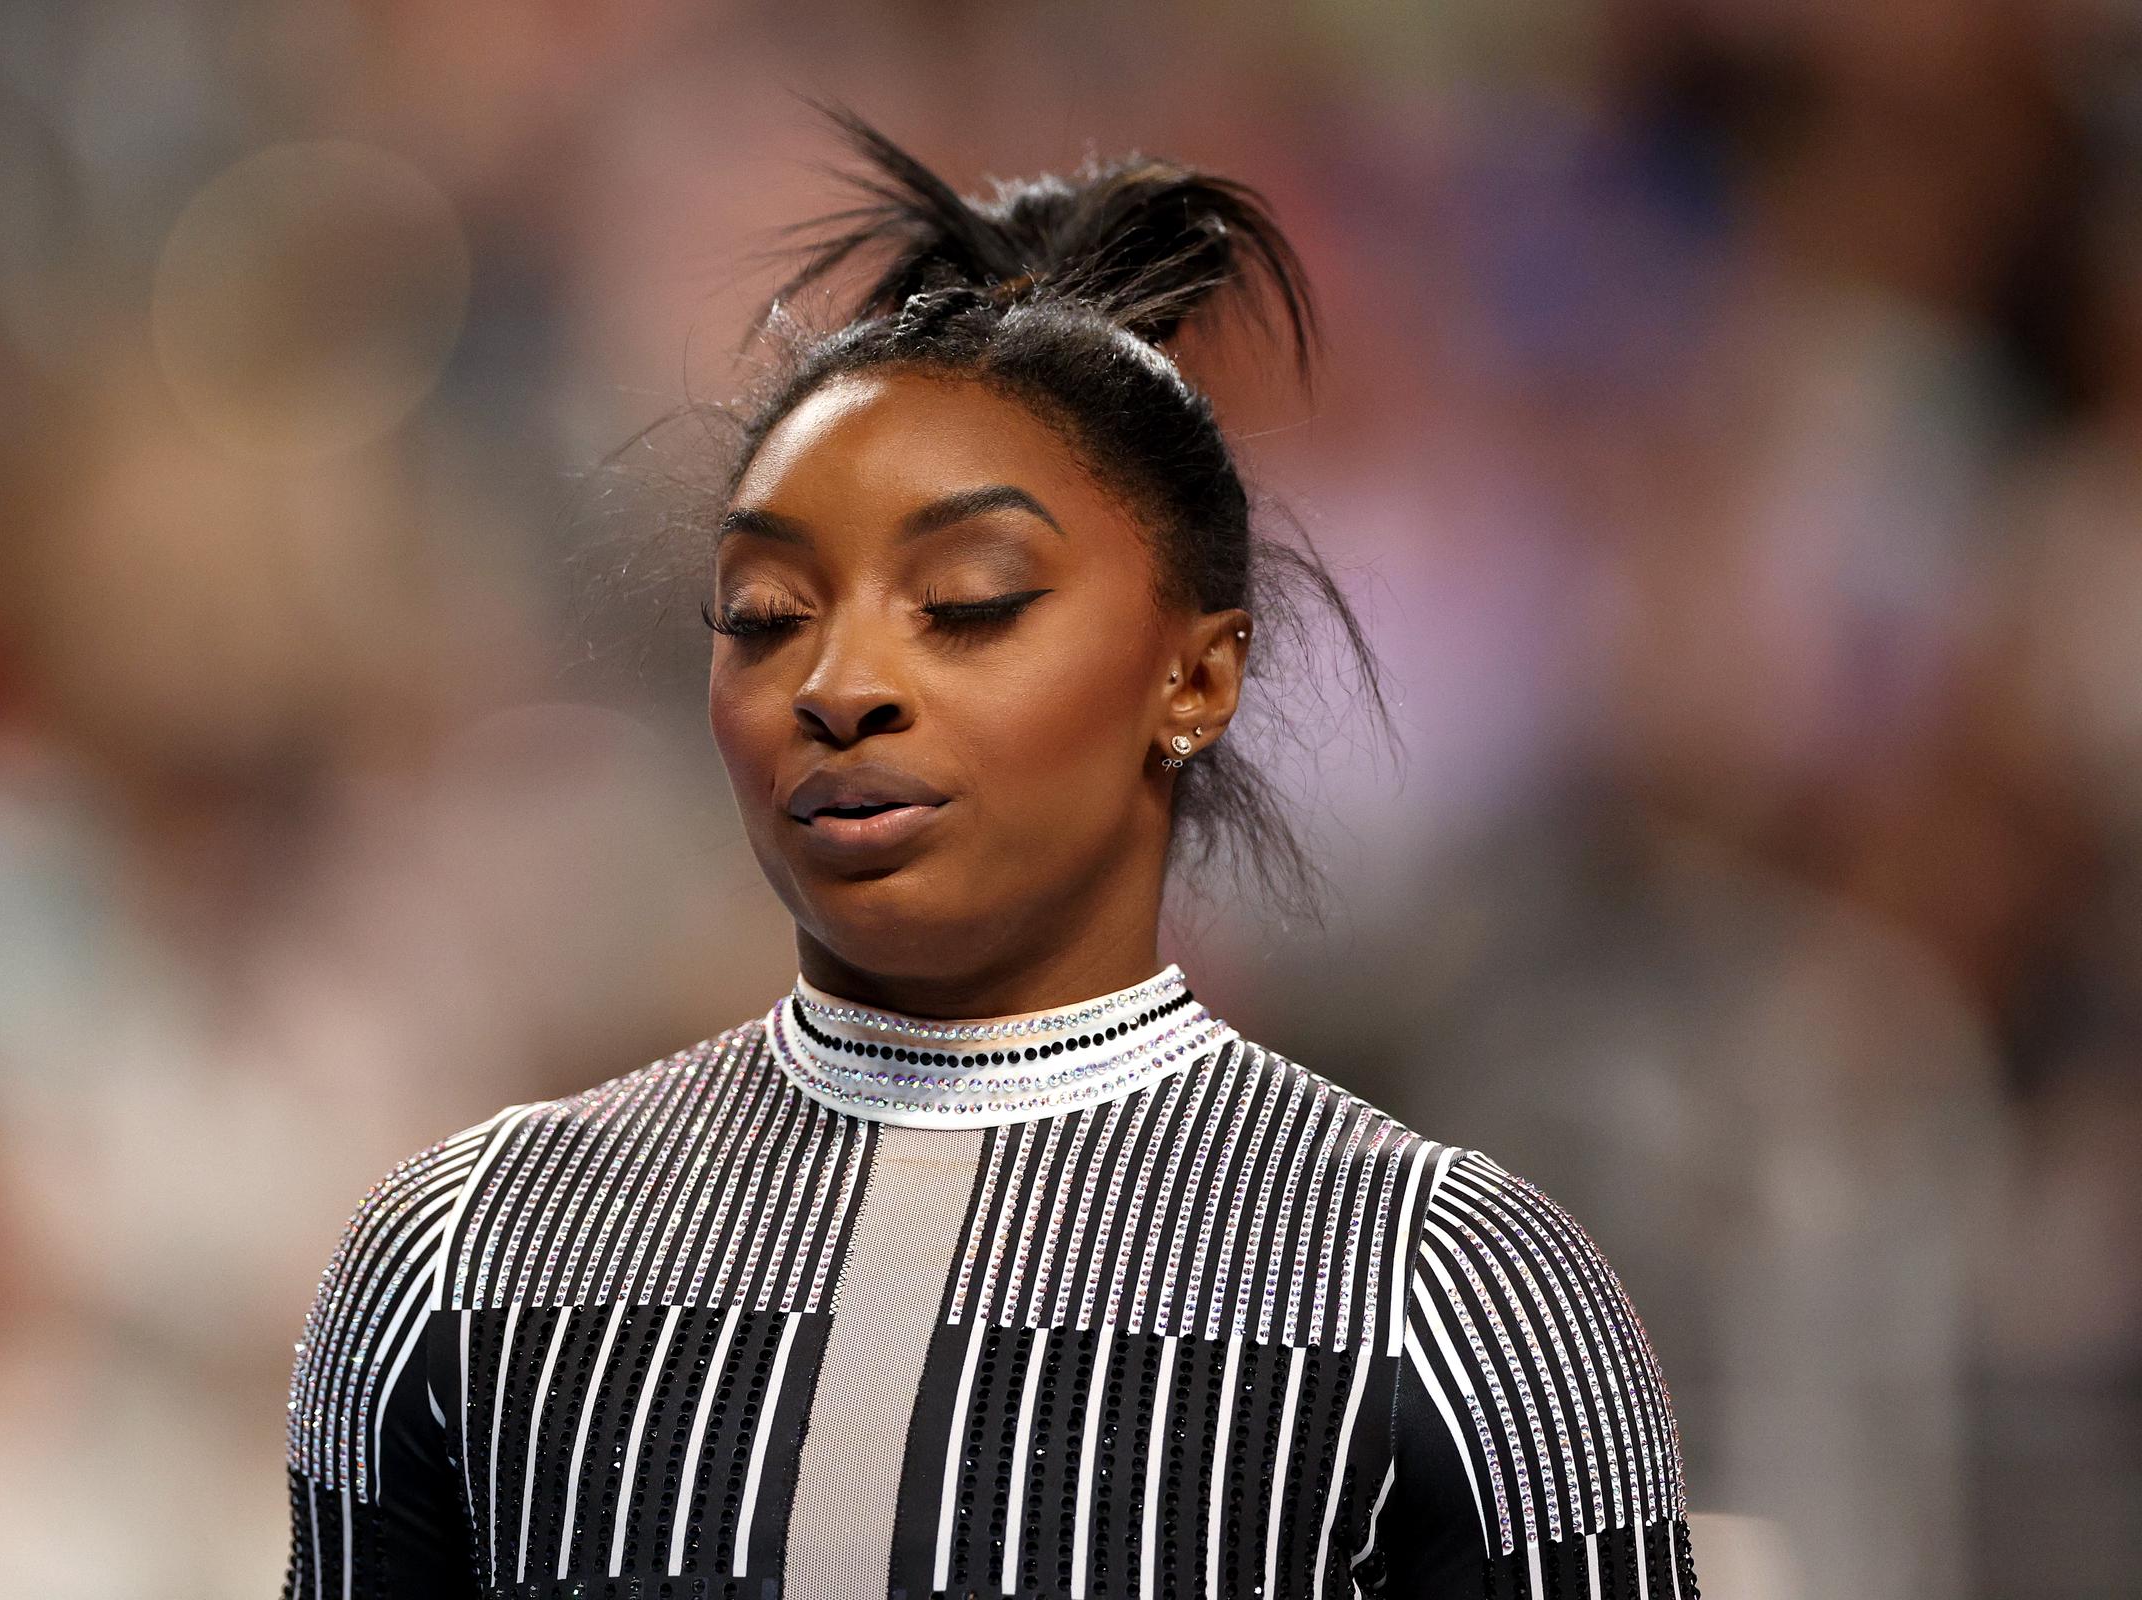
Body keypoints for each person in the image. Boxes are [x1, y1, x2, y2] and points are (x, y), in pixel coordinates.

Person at [281, 107, 1701, 1600]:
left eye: (965, 601)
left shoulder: (1449, 1300)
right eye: (765, 615)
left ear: (1198, 677)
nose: (839, 686)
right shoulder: (460, 1264)